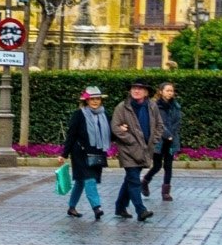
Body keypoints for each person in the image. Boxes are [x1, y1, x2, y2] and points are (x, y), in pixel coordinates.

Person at [64, 86, 111, 221]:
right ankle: (97, 207)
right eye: (92, 99)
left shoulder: (105, 115)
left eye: (98, 99)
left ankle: (71, 207)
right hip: (80, 153)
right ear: (86, 101)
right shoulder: (79, 114)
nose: (95, 102)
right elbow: (71, 135)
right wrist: (64, 154)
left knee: (80, 182)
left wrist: (122, 130)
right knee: (89, 180)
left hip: (97, 153)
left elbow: (110, 134)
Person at [112, 79, 156, 221]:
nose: (136, 91)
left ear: (146, 92)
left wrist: (153, 141)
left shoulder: (152, 107)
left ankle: (120, 206)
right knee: (134, 180)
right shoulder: (122, 107)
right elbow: (115, 128)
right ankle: (140, 210)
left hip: (144, 149)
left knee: (130, 180)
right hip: (128, 150)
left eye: (140, 89)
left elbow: (159, 125)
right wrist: (131, 140)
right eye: (134, 88)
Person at [153, 80, 183, 201]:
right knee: (157, 166)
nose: (170, 93)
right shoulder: (155, 106)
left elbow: (177, 121)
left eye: (171, 91)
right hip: (159, 140)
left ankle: (165, 192)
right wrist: (166, 134)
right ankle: (145, 181)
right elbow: (156, 122)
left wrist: (171, 134)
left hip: (171, 140)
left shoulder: (175, 106)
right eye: (167, 90)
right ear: (161, 92)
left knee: (168, 166)